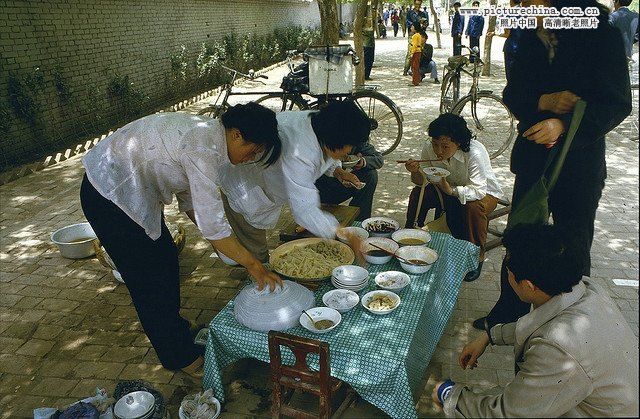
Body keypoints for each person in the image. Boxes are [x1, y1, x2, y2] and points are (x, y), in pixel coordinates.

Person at [80, 104, 283, 377]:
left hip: (127, 191)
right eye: (255, 149)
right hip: (109, 194)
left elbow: (193, 202)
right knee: (149, 280)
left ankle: (174, 329)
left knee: (164, 261)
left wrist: (224, 245)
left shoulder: (210, 135)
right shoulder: (203, 146)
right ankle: (177, 356)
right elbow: (213, 223)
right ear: (236, 134)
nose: (253, 157)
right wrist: (253, 264)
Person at [475, 0, 632, 331]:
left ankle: (572, 326)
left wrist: (564, 125)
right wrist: (540, 102)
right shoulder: (522, 32)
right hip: (533, 156)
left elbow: (617, 103)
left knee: (573, 244)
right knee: (518, 237)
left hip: (579, 163)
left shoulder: (600, 32)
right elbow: (513, 92)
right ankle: (508, 314)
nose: (528, 7)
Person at [432, 224, 639, 417]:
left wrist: (449, 394)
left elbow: (507, 413)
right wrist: (489, 336)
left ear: (529, 286)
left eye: (509, 272)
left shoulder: (557, 350)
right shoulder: (586, 288)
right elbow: (542, 323)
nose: (508, 275)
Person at [219, 100, 371, 261]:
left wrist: (337, 171)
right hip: (244, 187)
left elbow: (324, 152)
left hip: (263, 183)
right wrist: (345, 234)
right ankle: (256, 277)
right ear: (337, 139)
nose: (350, 152)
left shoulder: (320, 124)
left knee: (255, 250)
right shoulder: (299, 151)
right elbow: (304, 209)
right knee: (255, 254)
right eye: (350, 146)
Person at [405, 113, 503, 282]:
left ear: (458, 142)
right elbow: (422, 183)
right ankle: (409, 235)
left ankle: (476, 257)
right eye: (435, 144)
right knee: (418, 194)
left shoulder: (474, 152)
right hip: (446, 188)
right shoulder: (429, 146)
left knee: (473, 207)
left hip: (483, 193)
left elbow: (479, 190)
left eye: (445, 146)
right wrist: (415, 172)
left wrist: (451, 191)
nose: (438, 151)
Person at [315, 142, 383, 221]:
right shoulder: (317, 139)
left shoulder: (358, 140)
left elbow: (379, 158)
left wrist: (362, 161)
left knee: (370, 175)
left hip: (340, 184)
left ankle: (359, 223)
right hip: (316, 189)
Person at [486, 0, 523, 81]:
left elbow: (507, 34)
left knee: (511, 75)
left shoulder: (509, 14)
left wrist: (494, 34)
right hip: (523, 47)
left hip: (511, 47)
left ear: (511, 1)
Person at [404, 0, 428, 75]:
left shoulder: (423, 14)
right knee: (410, 52)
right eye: (417, 4)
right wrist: (415, 25)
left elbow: (426, 23)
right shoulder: (410, 13)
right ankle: (406, 70)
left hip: (421, 35)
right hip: (412, 34)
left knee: (420, 52)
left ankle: (417, 70)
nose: (418, 6)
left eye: (419, 4)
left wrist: (424, 24)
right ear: (414, 4)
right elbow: (407, 22)